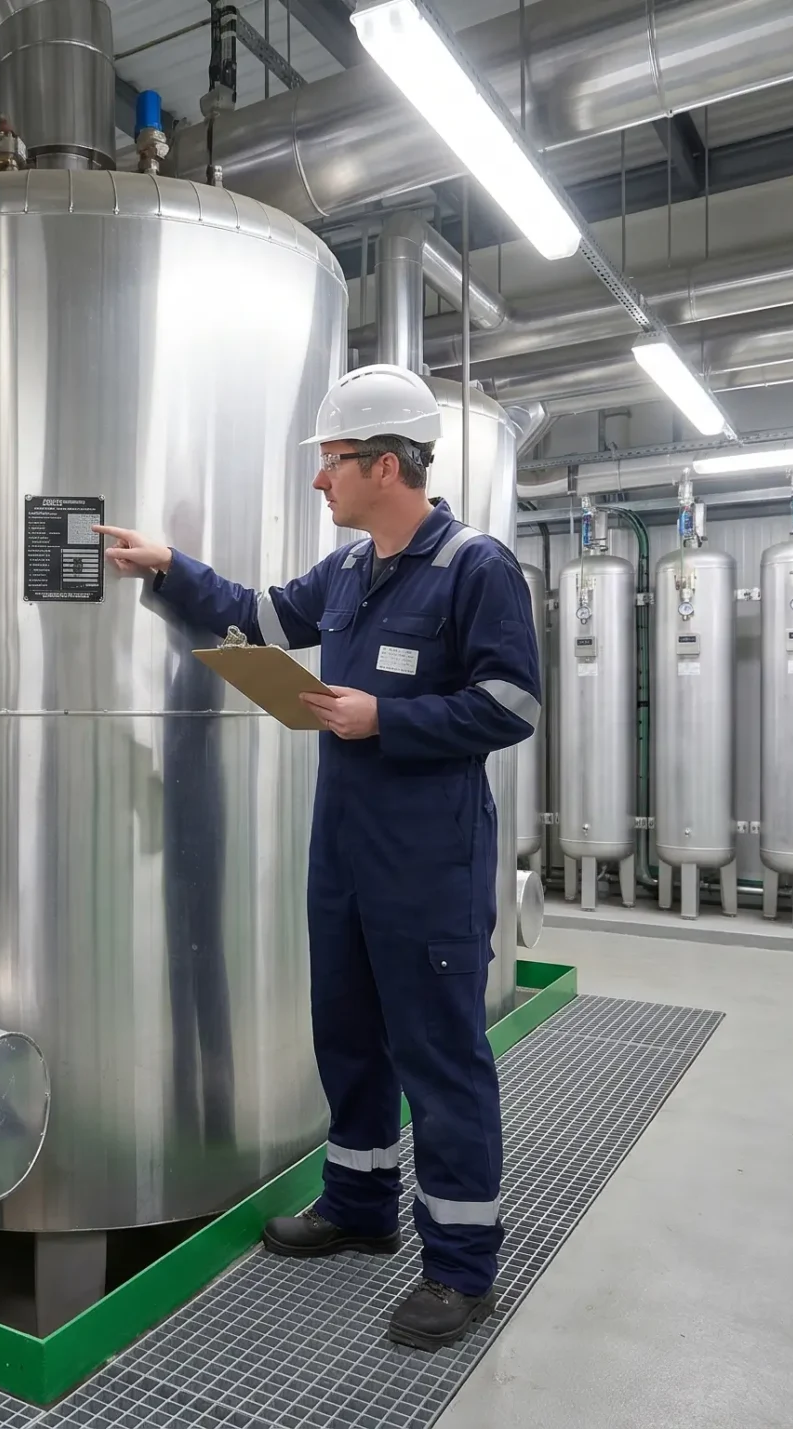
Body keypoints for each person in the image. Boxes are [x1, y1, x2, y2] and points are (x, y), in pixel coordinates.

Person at [91, 364, 541, 1350]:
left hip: (427, 860)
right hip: (341, 850)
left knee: (440, 1055)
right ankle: (359, 1202)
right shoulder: (345, 575)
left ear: (384, 465)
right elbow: (257, 618)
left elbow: (514, 704)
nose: (316, 482)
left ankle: (461, 1270)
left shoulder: (476, 567)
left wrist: (390, 715)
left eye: (330, 463)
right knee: (345, 1031)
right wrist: (168, 564)